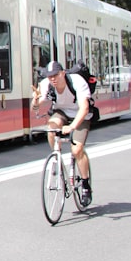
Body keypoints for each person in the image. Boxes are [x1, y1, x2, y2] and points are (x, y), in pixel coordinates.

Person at [31, 61, 93, 206]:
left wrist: (72, 126)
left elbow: (84, 108)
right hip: (61, 112)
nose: (53, 79)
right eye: (50, 76)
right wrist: (35, 100)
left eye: (56, 75)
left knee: (77, 149)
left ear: (63, 73)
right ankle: (56, 158)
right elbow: (34, 108)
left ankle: (85, 185)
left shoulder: (77, 81)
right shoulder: (46, 84)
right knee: (51, 128)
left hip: (80, 115)